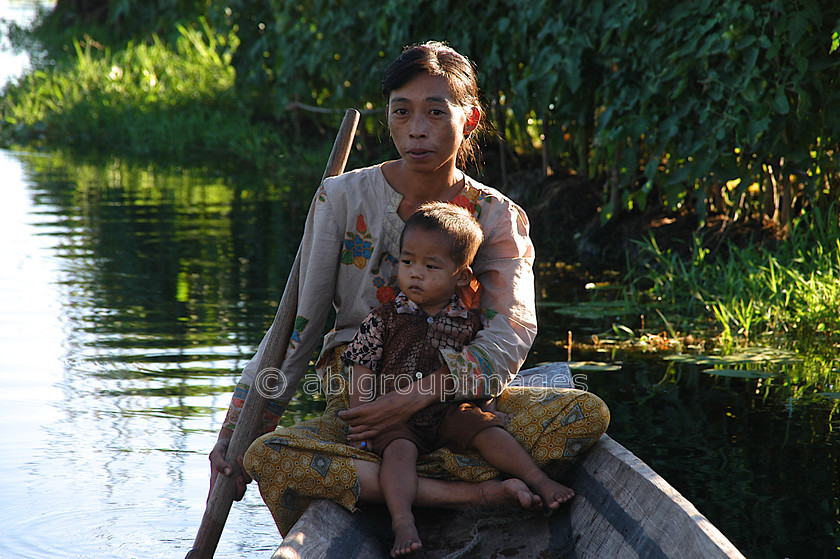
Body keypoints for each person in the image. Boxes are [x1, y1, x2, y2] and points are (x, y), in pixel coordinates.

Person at [208, 39, 610, 549]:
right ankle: (466, 492)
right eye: (402, 113)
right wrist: (235, 431)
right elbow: (297, 332)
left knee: (584, 414)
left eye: (435, 113)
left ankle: (402, 482)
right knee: (267, 455)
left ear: (472, 118)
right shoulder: (341, 198)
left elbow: (510, 334)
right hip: (364, 408)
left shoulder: (495, 215)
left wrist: (419, 395)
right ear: (389, 118)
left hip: (456, 406)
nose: (417, 129)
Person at [343, 201, 575, 556]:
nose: (415, 274)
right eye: (408, 262)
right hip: (396, 418)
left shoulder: (469, 321)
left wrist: (488, 409)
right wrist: (363, 419)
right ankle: (403, 520)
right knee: (399, 454)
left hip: (448, 410)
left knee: (487, 430)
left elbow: (480, 370)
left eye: (430, 266)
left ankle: (537, 479)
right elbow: (362, 364)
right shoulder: (383, 318)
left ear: (462, 276)